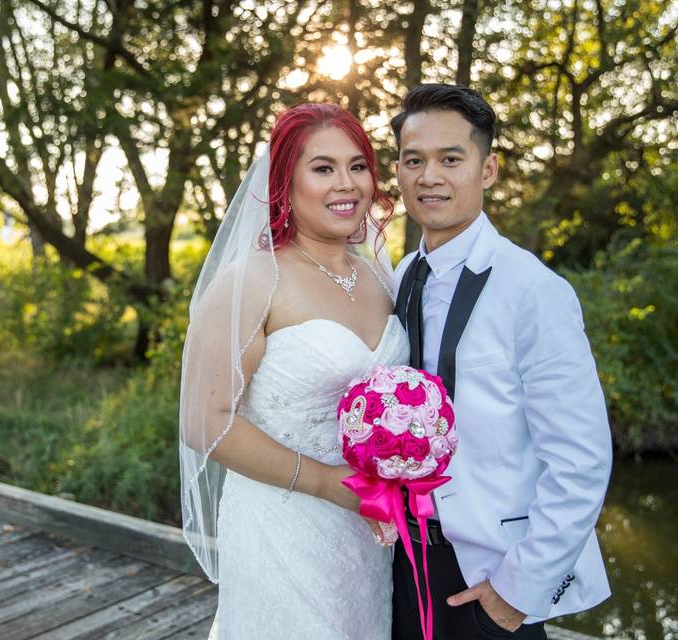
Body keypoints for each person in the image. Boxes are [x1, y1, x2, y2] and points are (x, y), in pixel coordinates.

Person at [391, 84, 613, 639]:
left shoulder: (534, 289)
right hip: (397, 565)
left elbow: (581, 460)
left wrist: (517, 592)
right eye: (413, 160)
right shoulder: (397, 279)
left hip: (486, 577)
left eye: (450, 159)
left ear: (488, 169)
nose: (429, 176)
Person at [179, 103, 406, 639]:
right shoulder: (252, 279)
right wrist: (327, 483)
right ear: (286, 180)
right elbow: (204, 421)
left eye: (357, 165)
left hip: (367, 533)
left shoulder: (379, 276)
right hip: (283, 523)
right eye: (323, 168)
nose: (345, 183)